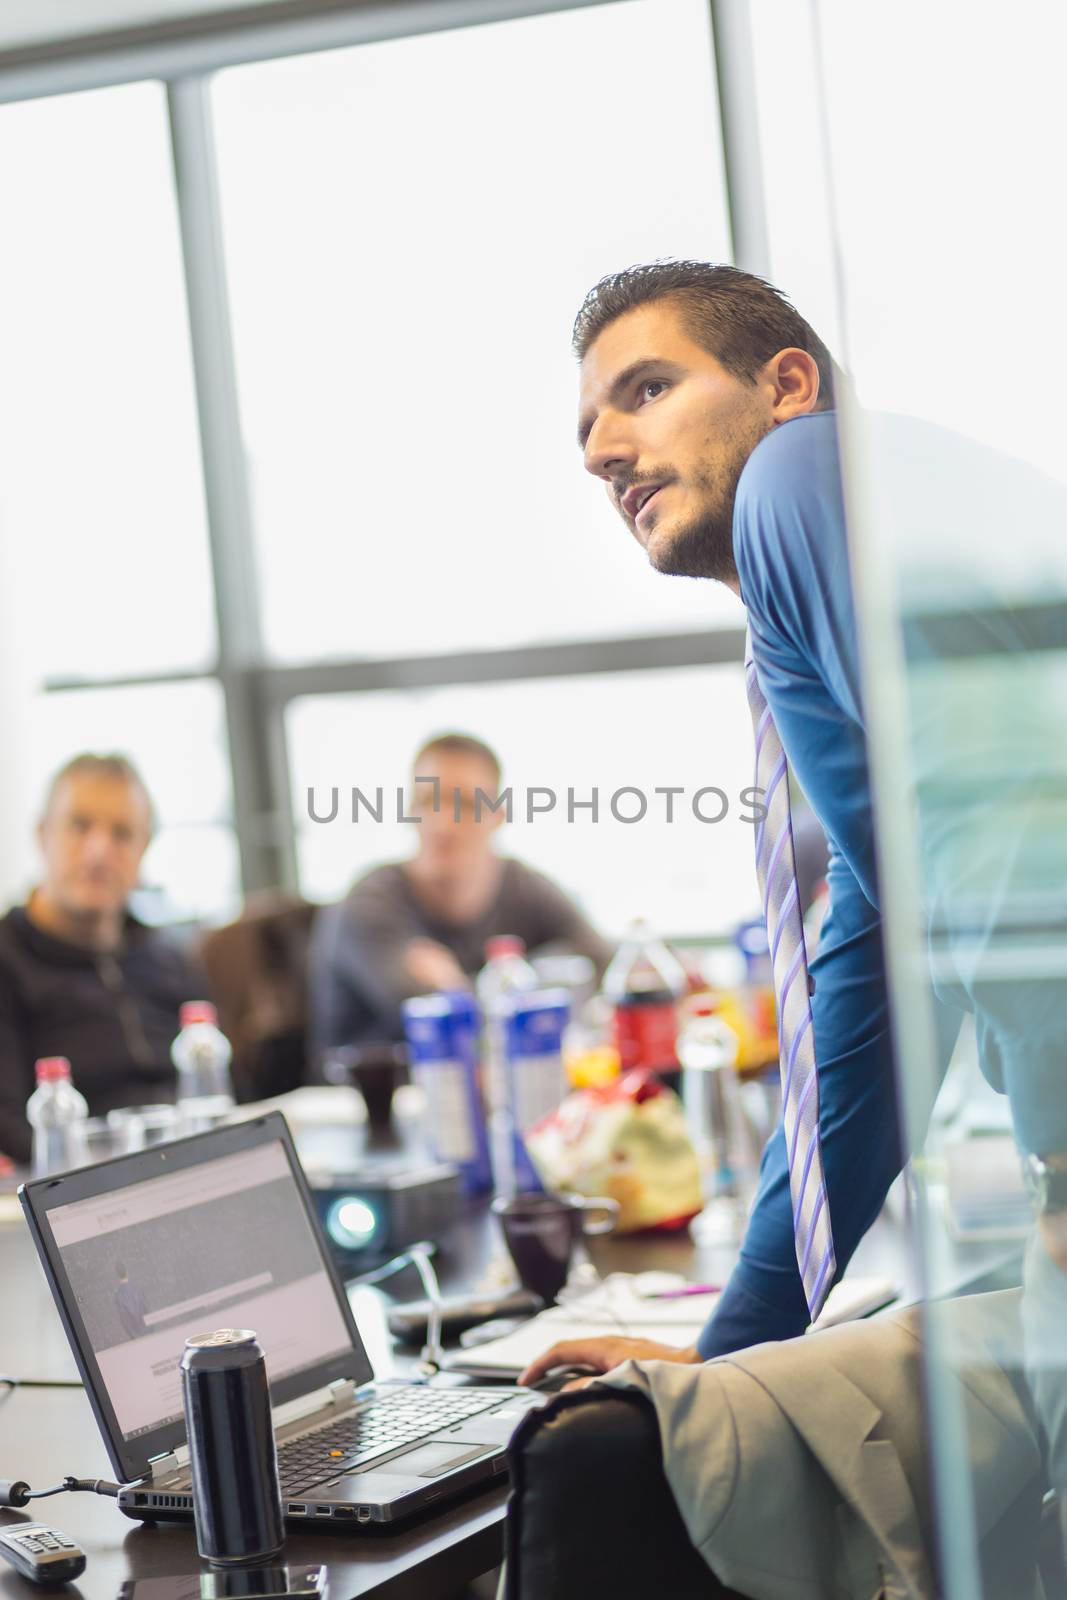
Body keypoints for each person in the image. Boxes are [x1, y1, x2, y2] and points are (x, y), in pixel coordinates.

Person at [522, 260, 1065, 1392]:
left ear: (784, 383)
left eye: (645, 390)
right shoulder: (828, 578)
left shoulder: (801, 473)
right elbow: (871, 975)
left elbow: (997, 816)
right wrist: (730, 1347)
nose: (599, 451)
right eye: (587, 428)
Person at [310, 732, 610, 1053]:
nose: (443, 825)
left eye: (464, 804)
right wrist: (526, 991)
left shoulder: (527, 888)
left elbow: (600, 965)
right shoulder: (369, 903)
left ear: (499, 815)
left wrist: (474, 985)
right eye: (427, 802)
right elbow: (435, 1018)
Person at [0, 753, 205, 1166]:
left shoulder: (166, 957)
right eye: (80, 826)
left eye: (122, 833)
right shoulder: (9, 960)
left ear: (144, 848)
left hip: (188, 1172)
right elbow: (9, 1129)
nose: (99, 851)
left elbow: (222, 1088)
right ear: (42, 835)